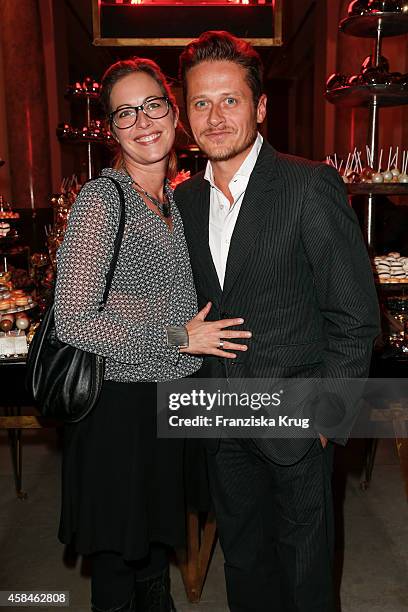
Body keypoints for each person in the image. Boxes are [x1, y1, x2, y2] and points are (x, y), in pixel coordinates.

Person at [175, 31, 380, 612]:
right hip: (220, 422)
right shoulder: (184, 200)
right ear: (187, 115)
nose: (215, 117)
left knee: (306, 574)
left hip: (297, 422)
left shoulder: (308, 185)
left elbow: (355, 317)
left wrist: (326, 420)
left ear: (260, 107)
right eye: (200, 103)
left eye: (230, 100)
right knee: (244, 564)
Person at [54, 56, 251, 612]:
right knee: (119, 569)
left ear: (173, 109)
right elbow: (72, 319)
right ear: (111, 129)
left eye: (153, 105)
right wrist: (174, 338)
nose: (143, 122)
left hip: (164, 405)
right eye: (124, 114)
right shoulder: (103, 198)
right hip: (119, 411)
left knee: (151, 565)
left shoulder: (174, 199)